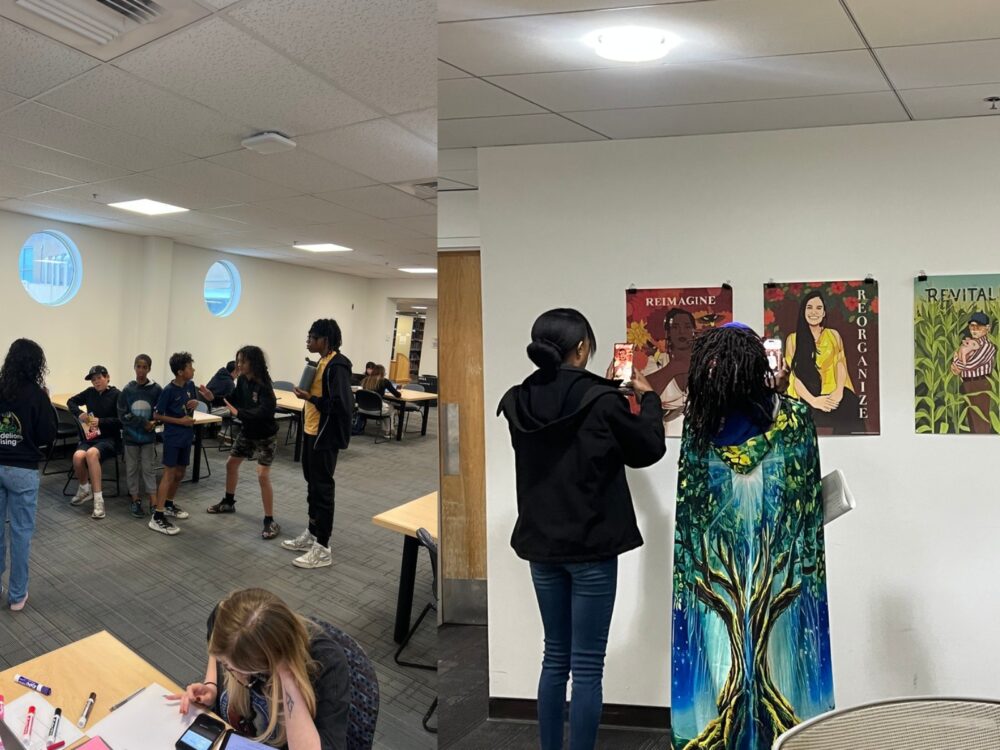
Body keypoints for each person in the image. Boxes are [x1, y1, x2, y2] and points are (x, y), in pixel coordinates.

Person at [497, 308, 666, 750]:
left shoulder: (518, 400)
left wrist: (610, 390)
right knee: (588, 666)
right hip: (591, 550)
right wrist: (644, 396)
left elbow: (561, 439)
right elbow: (646, 449)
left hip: (542, 549)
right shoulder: (601, 399)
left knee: (555, 658)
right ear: (582, 349)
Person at [671, 323, 834, 750]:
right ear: (758, 368)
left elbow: (691, 513)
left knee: (719, 660)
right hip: (778, 575)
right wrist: (779, 393)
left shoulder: (699, 428)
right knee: (782, 662)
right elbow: (806, 502)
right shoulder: (796, 419)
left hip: (715, 571)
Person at [169, 588, 350, 750]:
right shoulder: (224, 619)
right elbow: (216, 652)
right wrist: (211, 687)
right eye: (226, 666)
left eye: (236, 668)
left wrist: (287, 674)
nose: (232, 673)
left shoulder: (326, 663)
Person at [282, 320, 353, 569]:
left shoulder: (338, 366)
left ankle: (323, 547)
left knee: (323, 490)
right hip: (311, 431)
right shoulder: (321, 362)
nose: (308, 341)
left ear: (325, 340)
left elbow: (341, 406)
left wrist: (310, 397)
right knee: (312, 485)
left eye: (312, 337)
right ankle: (312, 533)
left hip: (325, 437)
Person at [201, 345, 281, 539]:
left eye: (242, 361)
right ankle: (228, 502)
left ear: (253, 363)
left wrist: (241, 413)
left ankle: (269, 520)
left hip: (265, 436)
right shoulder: (243, 381)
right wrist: (215, 398)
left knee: (262, 475)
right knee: (231, 464)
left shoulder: (264, 384)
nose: (239, 365)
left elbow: (266, 411)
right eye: (238, 361)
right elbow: (233, 399)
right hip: (248, 432)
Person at [0, 339, 55, 612]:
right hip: (23, 469)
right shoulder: (36, 394)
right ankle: (17, 596)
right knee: (20, 533)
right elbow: (47, 434)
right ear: (36, 364)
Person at [785, 290, 861, 434]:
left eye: (819, 308)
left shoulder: (833, 335)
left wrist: (838, 392)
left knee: (851, 404)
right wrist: (814, 401)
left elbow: (840, 364)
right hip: (807, 396)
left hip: (833, 393)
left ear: (824, 312)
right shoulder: (793, 340)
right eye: (810, 307)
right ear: (803, 311)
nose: (814, 312)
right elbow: (793, 377)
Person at [150, 352, 197, 535]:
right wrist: (180, 422)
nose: (193, 370)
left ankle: (168, 504)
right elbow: (157, 415)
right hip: (173, 436)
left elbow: (188, 407)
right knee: (169, 474)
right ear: (180, 371)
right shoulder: (168, 390)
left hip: (186, 436)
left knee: (180, 472)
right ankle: (158, 516)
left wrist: (194, 403)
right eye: (190, 367)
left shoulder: (190, 385)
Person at [68, 365, 122, 520]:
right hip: (92, 437)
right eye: (93, 380)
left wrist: (101, 421)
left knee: (91, 454)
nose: (96, 382)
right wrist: (80, 413)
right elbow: (71, 401)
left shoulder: (117, 395)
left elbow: (121, 421)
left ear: (107, 377)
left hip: (110, 439)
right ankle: (85, 489)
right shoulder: (90, 393)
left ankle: (99, 501)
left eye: (99, 378)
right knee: (78, 456)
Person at [117, 354, 162, 519]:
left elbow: (161, 412)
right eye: (138, 366)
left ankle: (153, 500)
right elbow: (123, 415)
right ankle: (135, 499)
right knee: (131, 469)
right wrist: (143, 422)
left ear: (149, 369)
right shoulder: (128, 390)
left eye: (145, 367)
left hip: (148, 438)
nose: (141, 370)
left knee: (149, 469)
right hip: (130, 438)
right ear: (134, 367)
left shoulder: (156, 390)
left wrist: (153, 424)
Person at [646, 308, 696, 437]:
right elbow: (643, 395)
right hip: (664, 438)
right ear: (668, 333)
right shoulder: (657, 360)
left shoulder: (705, 362)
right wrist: (674, 367)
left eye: (687, 327)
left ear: (693, 331)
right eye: (675, 327)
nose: (682, 332)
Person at [950, 311, 997, 434]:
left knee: (980, 419)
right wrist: (956, 365)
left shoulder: (987, 346)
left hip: (980, 384)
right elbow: (957, 356)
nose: (974, 329)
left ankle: (983, 445)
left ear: (987, 328)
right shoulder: (969, 343)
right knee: (972, 418)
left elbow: (973, 363)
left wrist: (957, 367)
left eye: (979, 326)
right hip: (967, 384)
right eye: (972, 326)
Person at [355, 364, 401, 438]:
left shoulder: (365, 380)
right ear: (382, 373)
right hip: (376, 410)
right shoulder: (384, 381)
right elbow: (397, 395)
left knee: (387, 407)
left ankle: (387, 430)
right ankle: (388, 431)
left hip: (363, 409)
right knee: (391, 407)